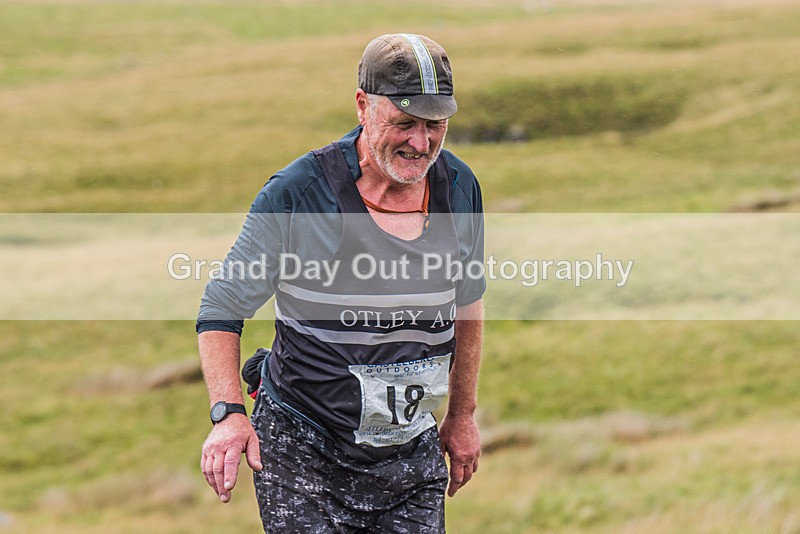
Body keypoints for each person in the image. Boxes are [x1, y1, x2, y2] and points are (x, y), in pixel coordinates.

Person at [197, 33, 485, 532]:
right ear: (362, 106)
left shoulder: (458, 187)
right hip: (303, 452)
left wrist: (461, 414)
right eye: (403, 123)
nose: (421, 143)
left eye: (435, 125)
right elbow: (223, 306)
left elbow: (469, 305)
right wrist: (228, 415)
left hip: (409, 456)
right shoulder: (301, 194)